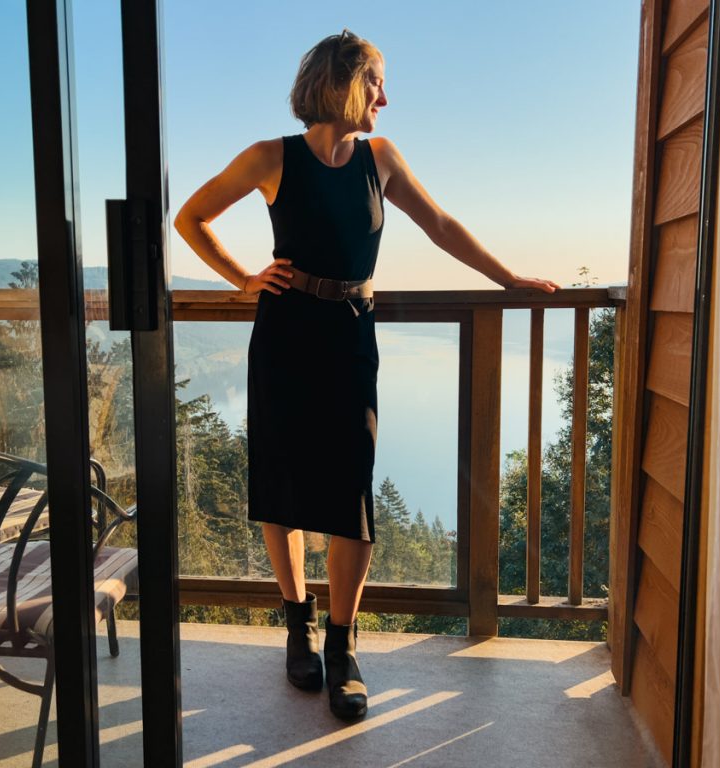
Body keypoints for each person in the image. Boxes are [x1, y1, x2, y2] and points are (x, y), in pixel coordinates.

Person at [174, 29, 560, 721]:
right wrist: (242, 279)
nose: (387, 96)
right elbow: (191, 217)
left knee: (350, 493)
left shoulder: (380, 159)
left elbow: (440, 225)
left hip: (350, 334)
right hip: (286, 334)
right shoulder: (271, 157)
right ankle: (296, 624)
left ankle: (343, 644)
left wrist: (509, 280)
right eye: (378, 82)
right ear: (347, 83)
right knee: (283, 485)